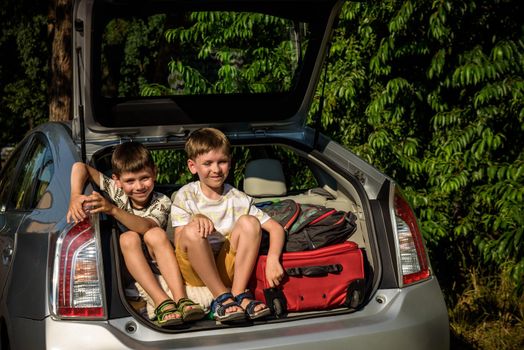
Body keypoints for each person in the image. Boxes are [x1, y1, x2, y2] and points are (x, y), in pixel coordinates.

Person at [66, 141, 205, 327]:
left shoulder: (161, 201)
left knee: (154, 234)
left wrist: (113, 210)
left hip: (159, 263)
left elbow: (146, 226)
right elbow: (80, 167)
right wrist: (75, 195)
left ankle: (181, 299)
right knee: (128, 238)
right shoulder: (117, 191)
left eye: (144, 178)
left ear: (154, 173)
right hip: (127, 267)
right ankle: (161, 301)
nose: (139, 186)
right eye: (130, 181)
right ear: (117, 180)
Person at [171, 128, 285, 322]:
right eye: (207, 163)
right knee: (192, 230)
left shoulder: (239, 199)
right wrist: (195, 218)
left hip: (226, 269)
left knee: (250, 222)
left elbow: (276, 228)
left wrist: (274, 260)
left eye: (221, 162)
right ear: (192, 166)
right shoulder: (186, 195)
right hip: (194, 270)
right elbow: (180, 241)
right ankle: (221, 298)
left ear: (230, 164)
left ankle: (239, 294)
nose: (216, 169)